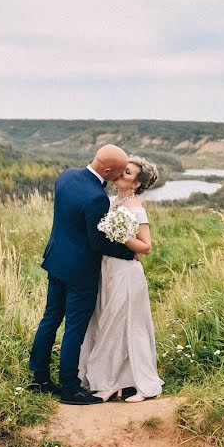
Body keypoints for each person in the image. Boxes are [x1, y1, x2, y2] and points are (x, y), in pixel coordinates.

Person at [28, 145, 135, 405]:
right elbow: (96, 242)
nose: (119, 178)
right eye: (118, 173)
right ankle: (70, 388)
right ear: (107, 170)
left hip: (56, 260)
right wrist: (130, 253)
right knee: (74, 328)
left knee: (50, 319)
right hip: (80, 271)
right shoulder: (96, 197)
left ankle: (39, 378)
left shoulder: (67, 175)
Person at [79, 156, 164, 402]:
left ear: (136, 184)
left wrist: (121, 234)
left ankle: (139, 385)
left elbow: (145, 247)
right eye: (121, 170)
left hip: (126, 273)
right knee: (105, 322)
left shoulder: (136, 208)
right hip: (105, 270)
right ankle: (112, 380)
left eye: (127, 173)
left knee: (124, 326)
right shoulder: (108, 201)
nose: (119, 175)